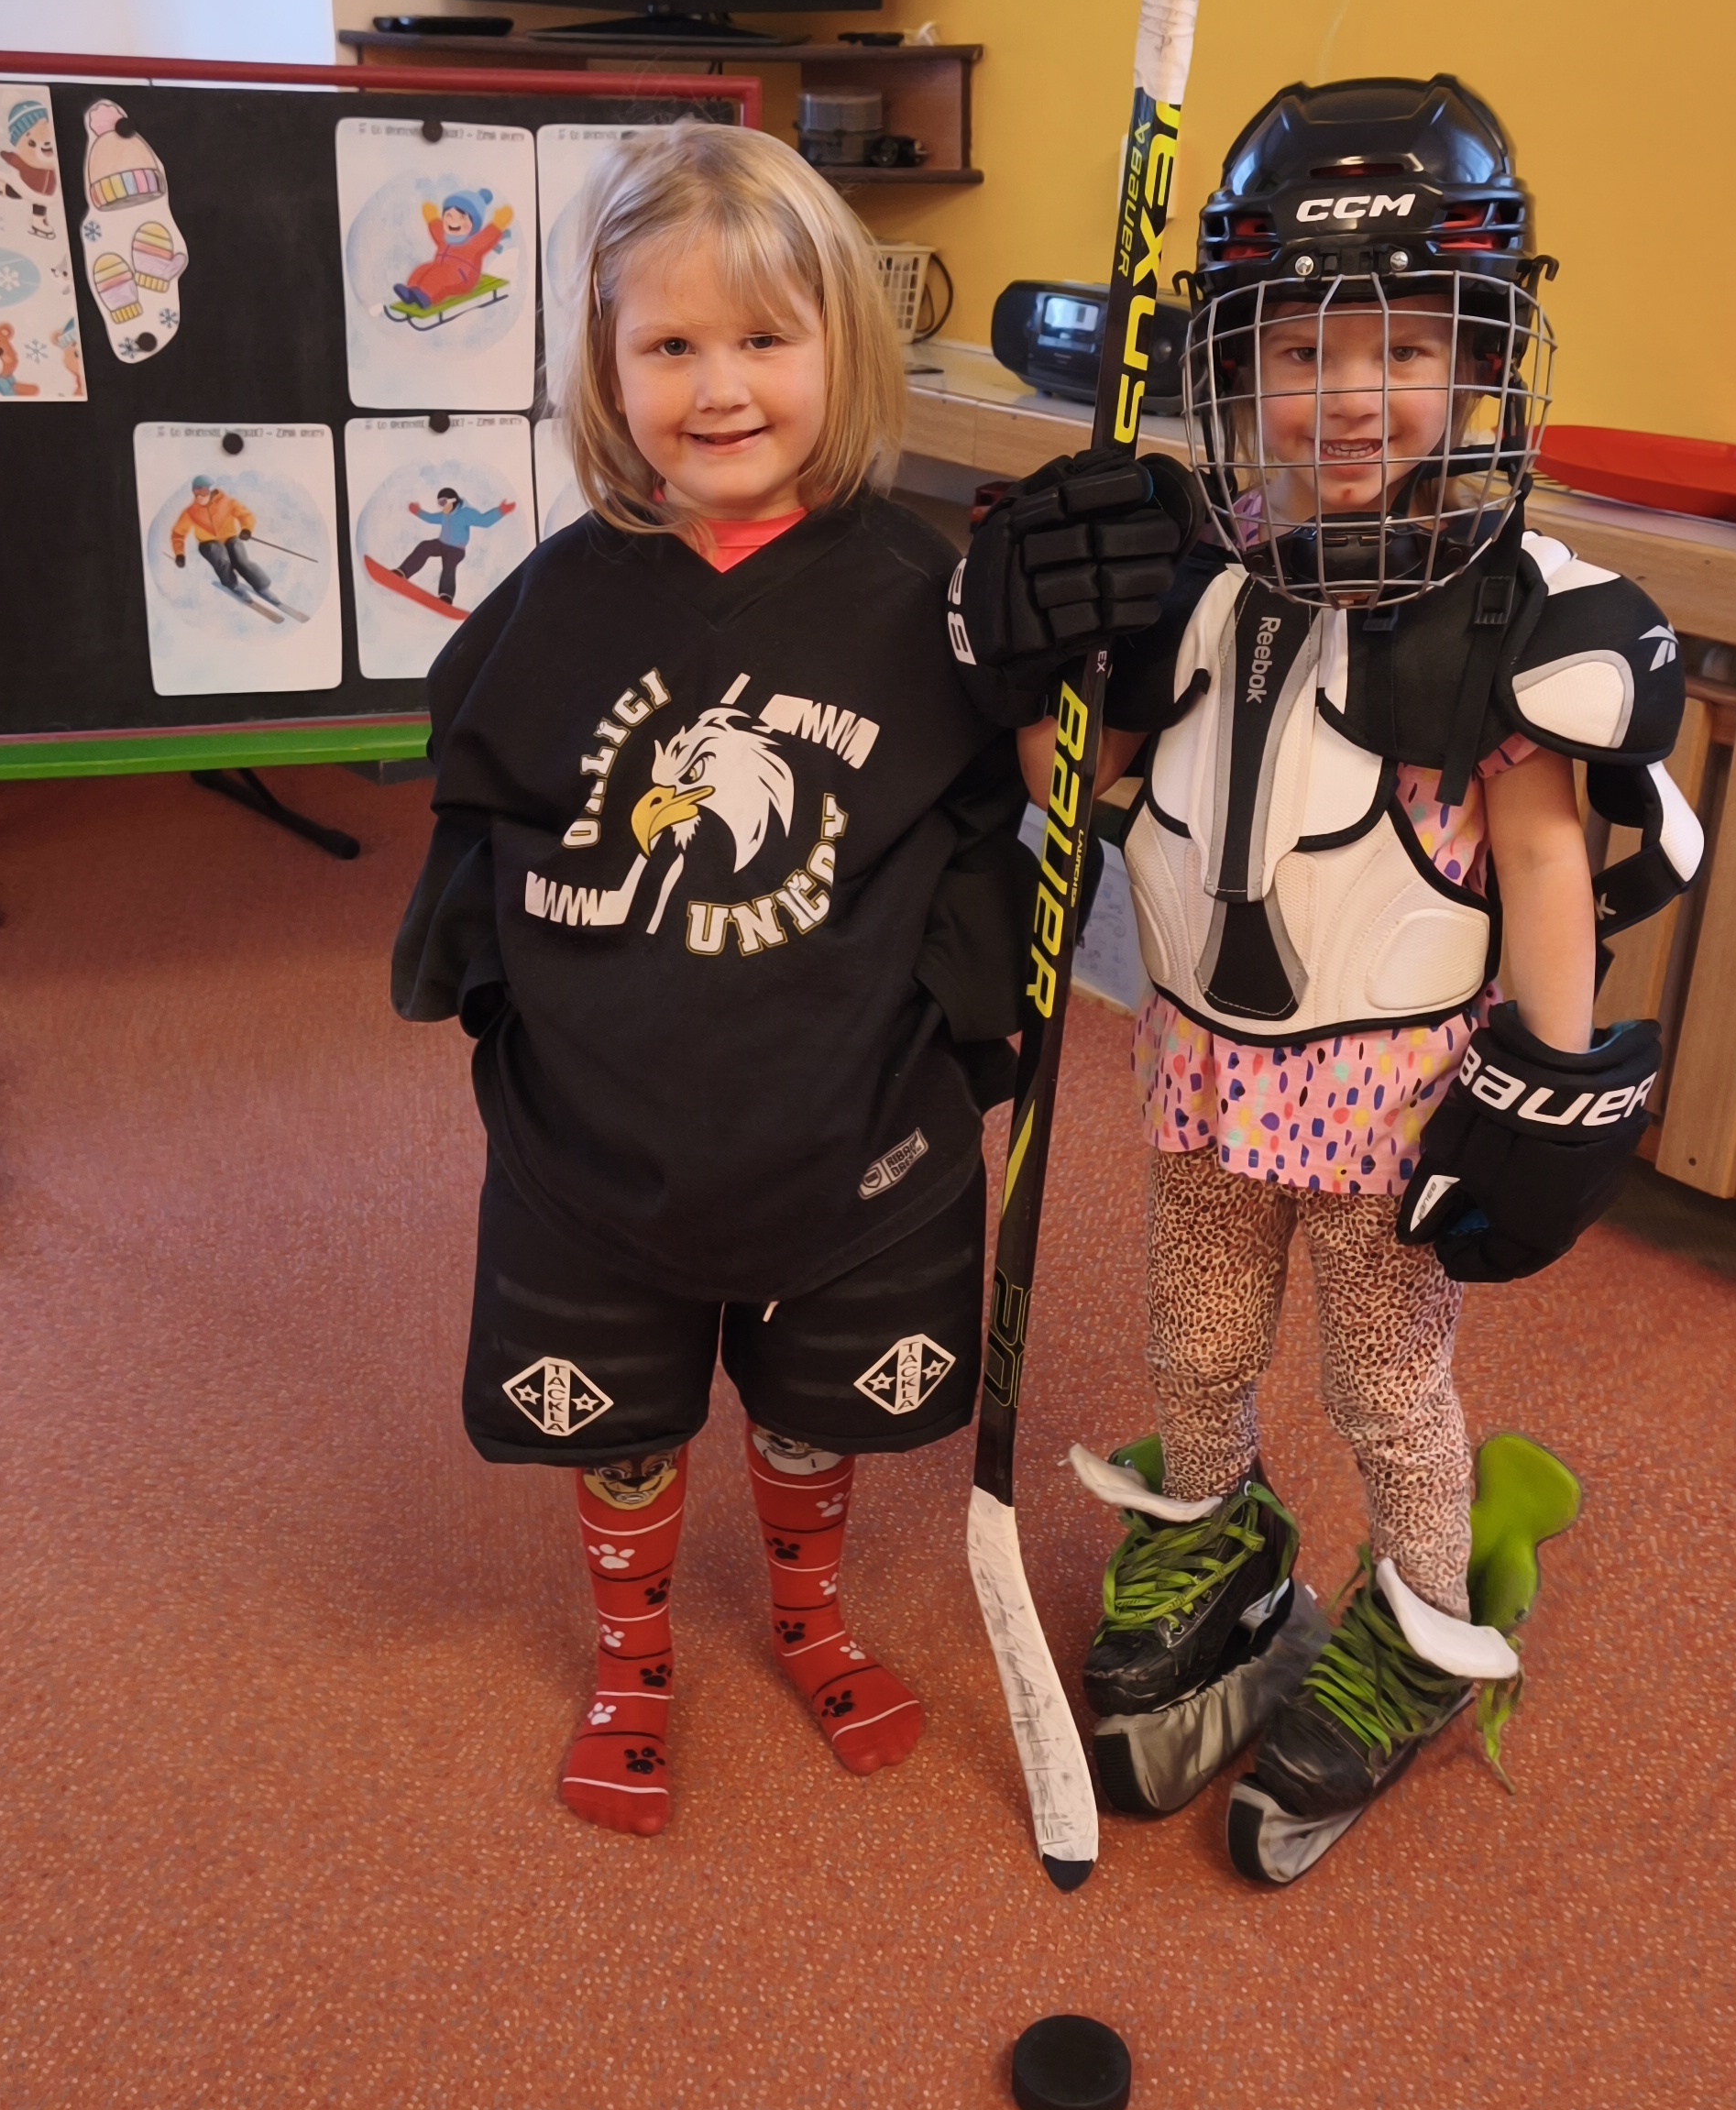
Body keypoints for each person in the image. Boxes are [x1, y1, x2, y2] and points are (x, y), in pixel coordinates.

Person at [950, 76, 1701, 1886]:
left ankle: (1426, 1615)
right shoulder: (1186, 586)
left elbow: (1543, 860)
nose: (1351, 394)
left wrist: (1547, 1088)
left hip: (1396, 1108)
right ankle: (1211, 1533)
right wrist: (1044, 648)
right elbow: (1090, 785)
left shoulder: (1512, 616)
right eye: (1300, 350)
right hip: (1207, 1072)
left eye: (1404, 347)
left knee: (1384, 1387)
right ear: (1232, 367)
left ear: (1481, 360)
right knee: (1195, 1342)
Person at [390, 122, 1167, 1836]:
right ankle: (634, 1654)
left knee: (822, 1410)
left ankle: (810, 1617)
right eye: (670, 343)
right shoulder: (546, 610)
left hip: (853, 1132)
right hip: (602, 1141)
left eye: (764, 337)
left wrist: (1104, 648)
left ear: (843, 347)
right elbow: (477, 840)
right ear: (605, 366)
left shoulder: (929, 597)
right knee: (621, 1416)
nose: (721, 386)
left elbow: (1062, 801)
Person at [170, 477, 282, 613]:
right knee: (221, 557)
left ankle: (262, 587)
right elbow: (178, 533)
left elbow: (245, 515)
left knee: (240, 558)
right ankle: (232, 585)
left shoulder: (227, 503)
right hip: (208, 544)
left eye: (203, 492)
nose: (199, 496)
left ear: (211, 491)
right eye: (196, 492)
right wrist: (179, 554)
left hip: (230, 538)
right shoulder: (191, 512)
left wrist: (246, 529)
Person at [391, 484, 515, 602]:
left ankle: (446, 595)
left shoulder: (466, 514)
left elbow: (484, 522)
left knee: (449, 565)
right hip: (441, 544)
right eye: (440, 503)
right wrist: (417, 511)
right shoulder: (445, 515)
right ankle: (402, 573)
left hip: (456, 550)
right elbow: (430, 519)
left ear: (453, 501)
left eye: (443, 502)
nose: (442, 507)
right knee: (424, 547)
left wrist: (501, 511)